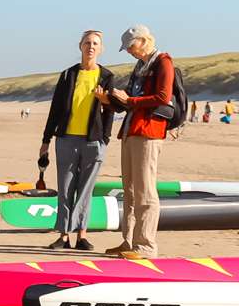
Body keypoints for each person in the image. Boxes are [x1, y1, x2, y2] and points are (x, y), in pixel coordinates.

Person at [101, 25, 176, 260]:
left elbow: (163, 97)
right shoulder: (140, 66)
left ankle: (146, 245)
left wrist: (130, 99)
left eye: (131, 46)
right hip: (131, 130)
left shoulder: (163, 62)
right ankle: (129, 241)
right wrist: (111, 99)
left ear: (143, 41)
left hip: (149, 132)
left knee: (145, 190)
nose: (129, 51)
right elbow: (131, 101)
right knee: (130, 190)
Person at [38, 29, 113, 250]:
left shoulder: (107, 77)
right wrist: (46, 140)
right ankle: (63, 236)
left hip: (93, 141)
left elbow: (110, 110)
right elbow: (55, 109)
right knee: (65, 189)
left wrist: (105, 139)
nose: (91, 47)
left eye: (95, 44)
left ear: (101, 49)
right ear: (80, 46)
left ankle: (81, 235)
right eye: (87, 43)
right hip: (66, 140)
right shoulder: (68, 75)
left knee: (85, 190)